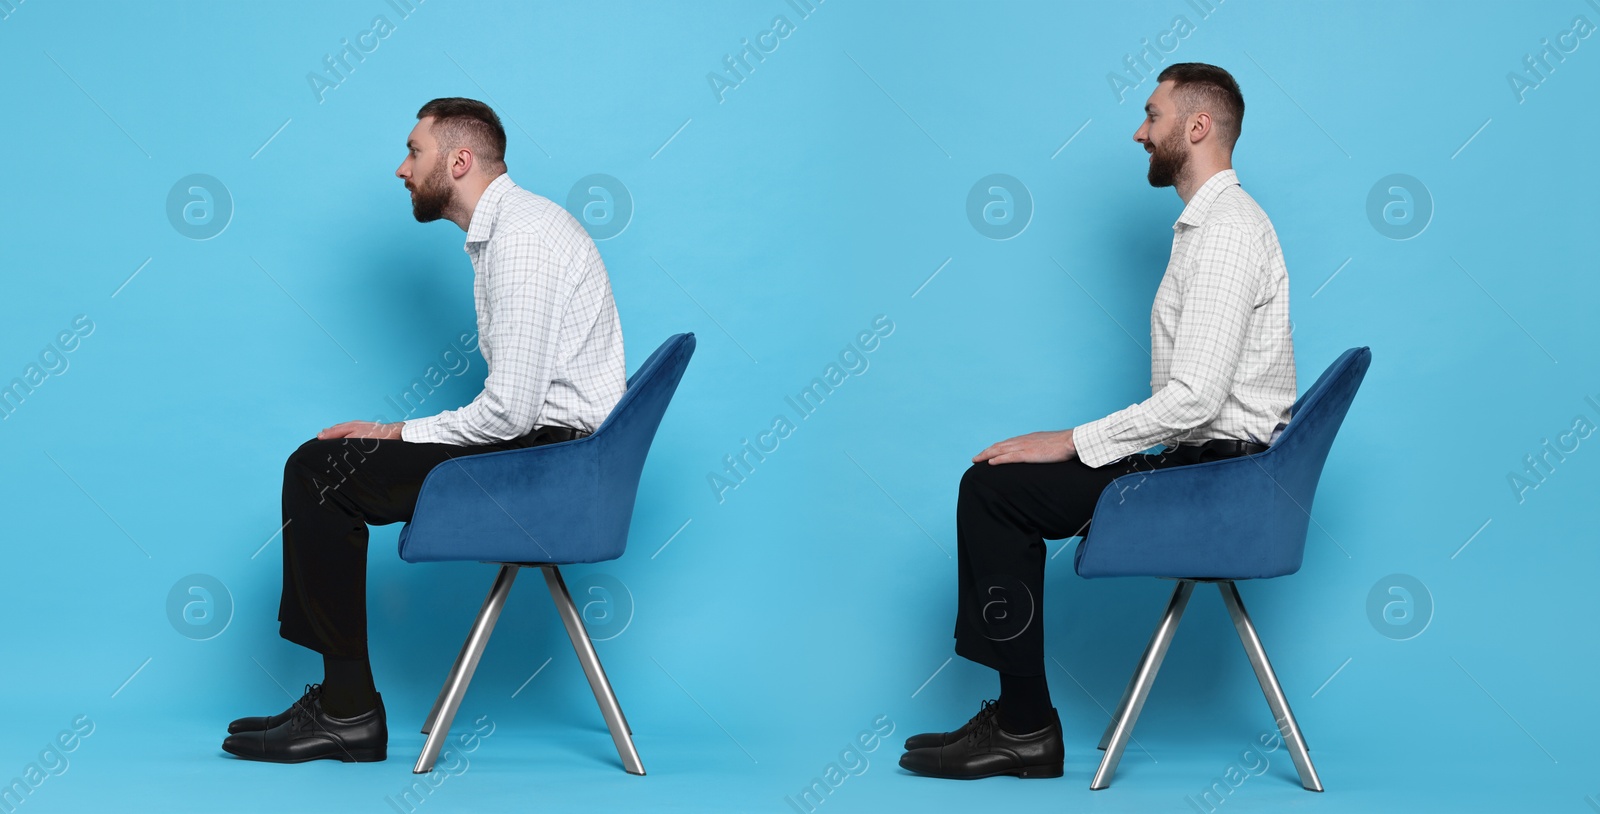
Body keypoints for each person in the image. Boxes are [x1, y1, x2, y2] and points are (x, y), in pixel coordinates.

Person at [898, 63, 1296, 780]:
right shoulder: (1211, 227)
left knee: (994, 493)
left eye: (1153, 115)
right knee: (996, 481)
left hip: (1219, 482)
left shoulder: (1227, 232)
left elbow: (1197, 400)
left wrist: (1071, 442)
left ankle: (1023, 727)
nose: (1139, 132)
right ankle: (1020, 721)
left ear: (1197, 127)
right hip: (1209, 466)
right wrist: (1079, 450)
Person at [222, 97, 627, 764]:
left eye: (414, 151)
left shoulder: (521, 239)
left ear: (459, 161)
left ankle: (347, 711)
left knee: (319, 471)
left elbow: (509, 416)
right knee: (324, 462)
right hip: (555, 459)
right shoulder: (511, 232)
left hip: (553, 470)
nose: (401, 169)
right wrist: (391, 436)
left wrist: (393, 432)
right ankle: (341, 703)